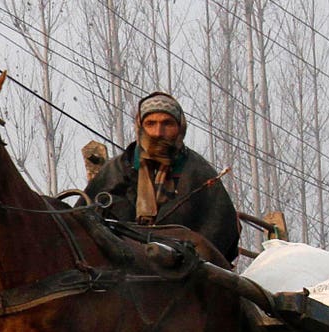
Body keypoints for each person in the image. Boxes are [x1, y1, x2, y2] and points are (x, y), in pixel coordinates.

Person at [87, 92, 240, 266]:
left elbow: (221, 230)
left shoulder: (198, 173)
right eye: (151, 124)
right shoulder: (116, 171)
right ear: (140, 127)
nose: (158, 132)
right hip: (120, 274)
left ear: (180, 127)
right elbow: (85, 223)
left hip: (182, 278)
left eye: (167, 124)